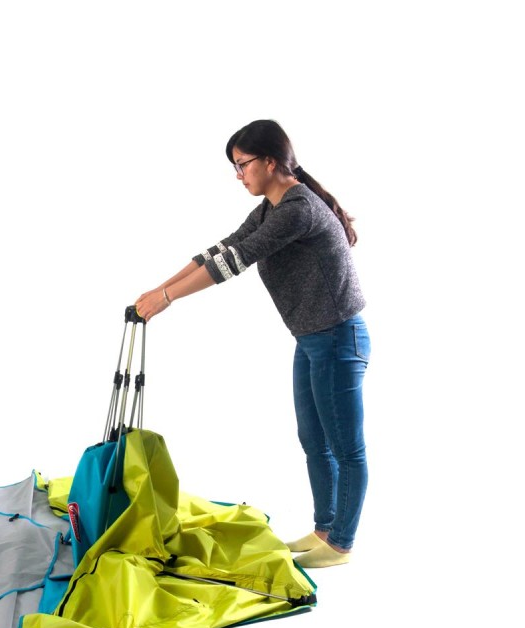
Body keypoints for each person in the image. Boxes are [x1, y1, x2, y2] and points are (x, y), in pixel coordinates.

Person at [135, 119, 370, 568]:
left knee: (346, 447)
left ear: (270, 161)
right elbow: (221, 249)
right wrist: (159, 289)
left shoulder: (298, 209)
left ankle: (341, 544)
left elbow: (236, 262)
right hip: (312, 339)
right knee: (313, 440)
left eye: (243, 164)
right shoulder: (271, 208)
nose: (239, 174)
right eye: (236, 167)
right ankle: (324, 529)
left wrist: (167, 299)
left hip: (338, 338)